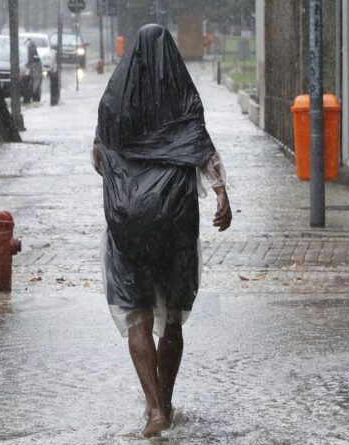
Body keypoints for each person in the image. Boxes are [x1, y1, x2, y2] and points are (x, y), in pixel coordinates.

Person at [92, 24, 231, 438]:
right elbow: (203, 151)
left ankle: (155, 410)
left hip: (129, 224)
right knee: (172, 319)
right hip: (174, 223)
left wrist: (132, 177)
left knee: (136, 314)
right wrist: (222, 196)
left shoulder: (114, 102)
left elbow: (99, 159)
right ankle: (167, 399)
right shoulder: (183, 97)